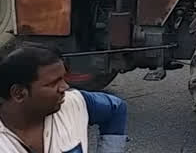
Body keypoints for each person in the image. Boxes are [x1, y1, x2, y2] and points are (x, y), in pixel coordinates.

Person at [0, 45, 128, 153]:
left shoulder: (74, 103)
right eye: (53, 83)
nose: (65, 87)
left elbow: (116, 108)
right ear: (18, 93)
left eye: (63, 78)